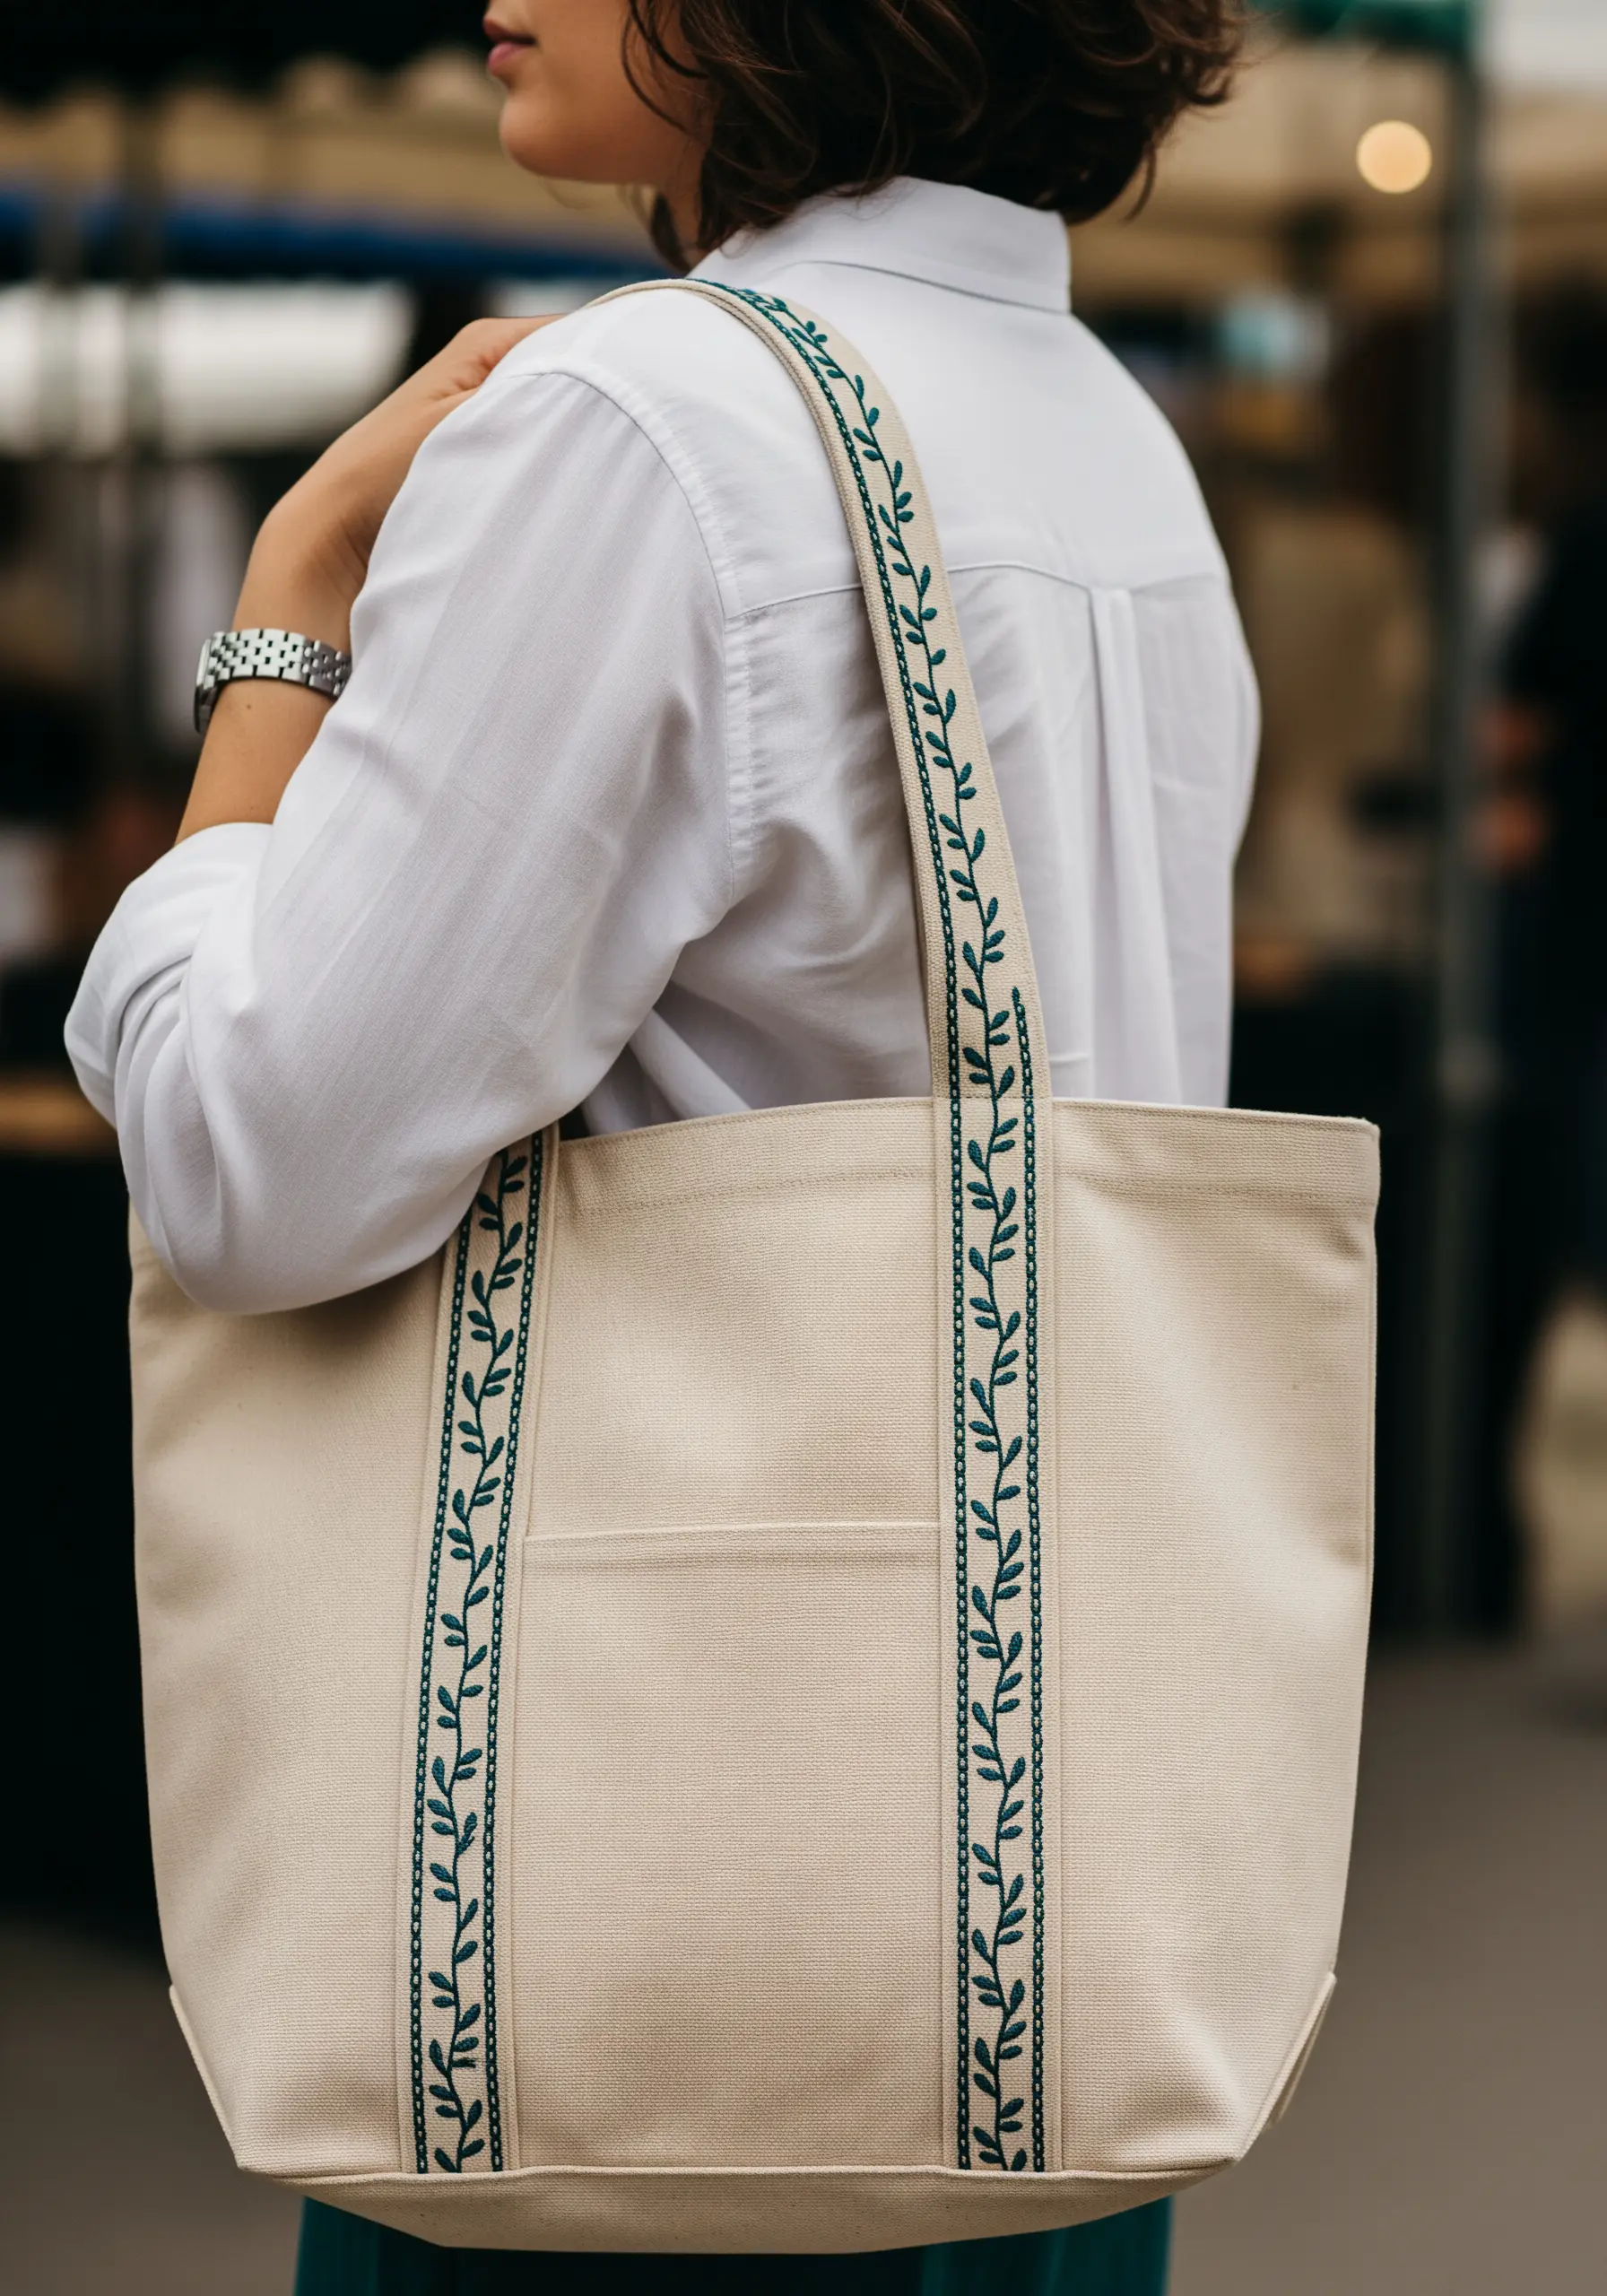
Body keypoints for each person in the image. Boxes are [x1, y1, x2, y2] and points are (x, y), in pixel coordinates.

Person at [65, 3, 1252, 2289]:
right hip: (1031, 1954)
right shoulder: (1103, 436)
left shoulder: (652, 420)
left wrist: (284, 618)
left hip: (637, 1969)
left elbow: (247, 1168)